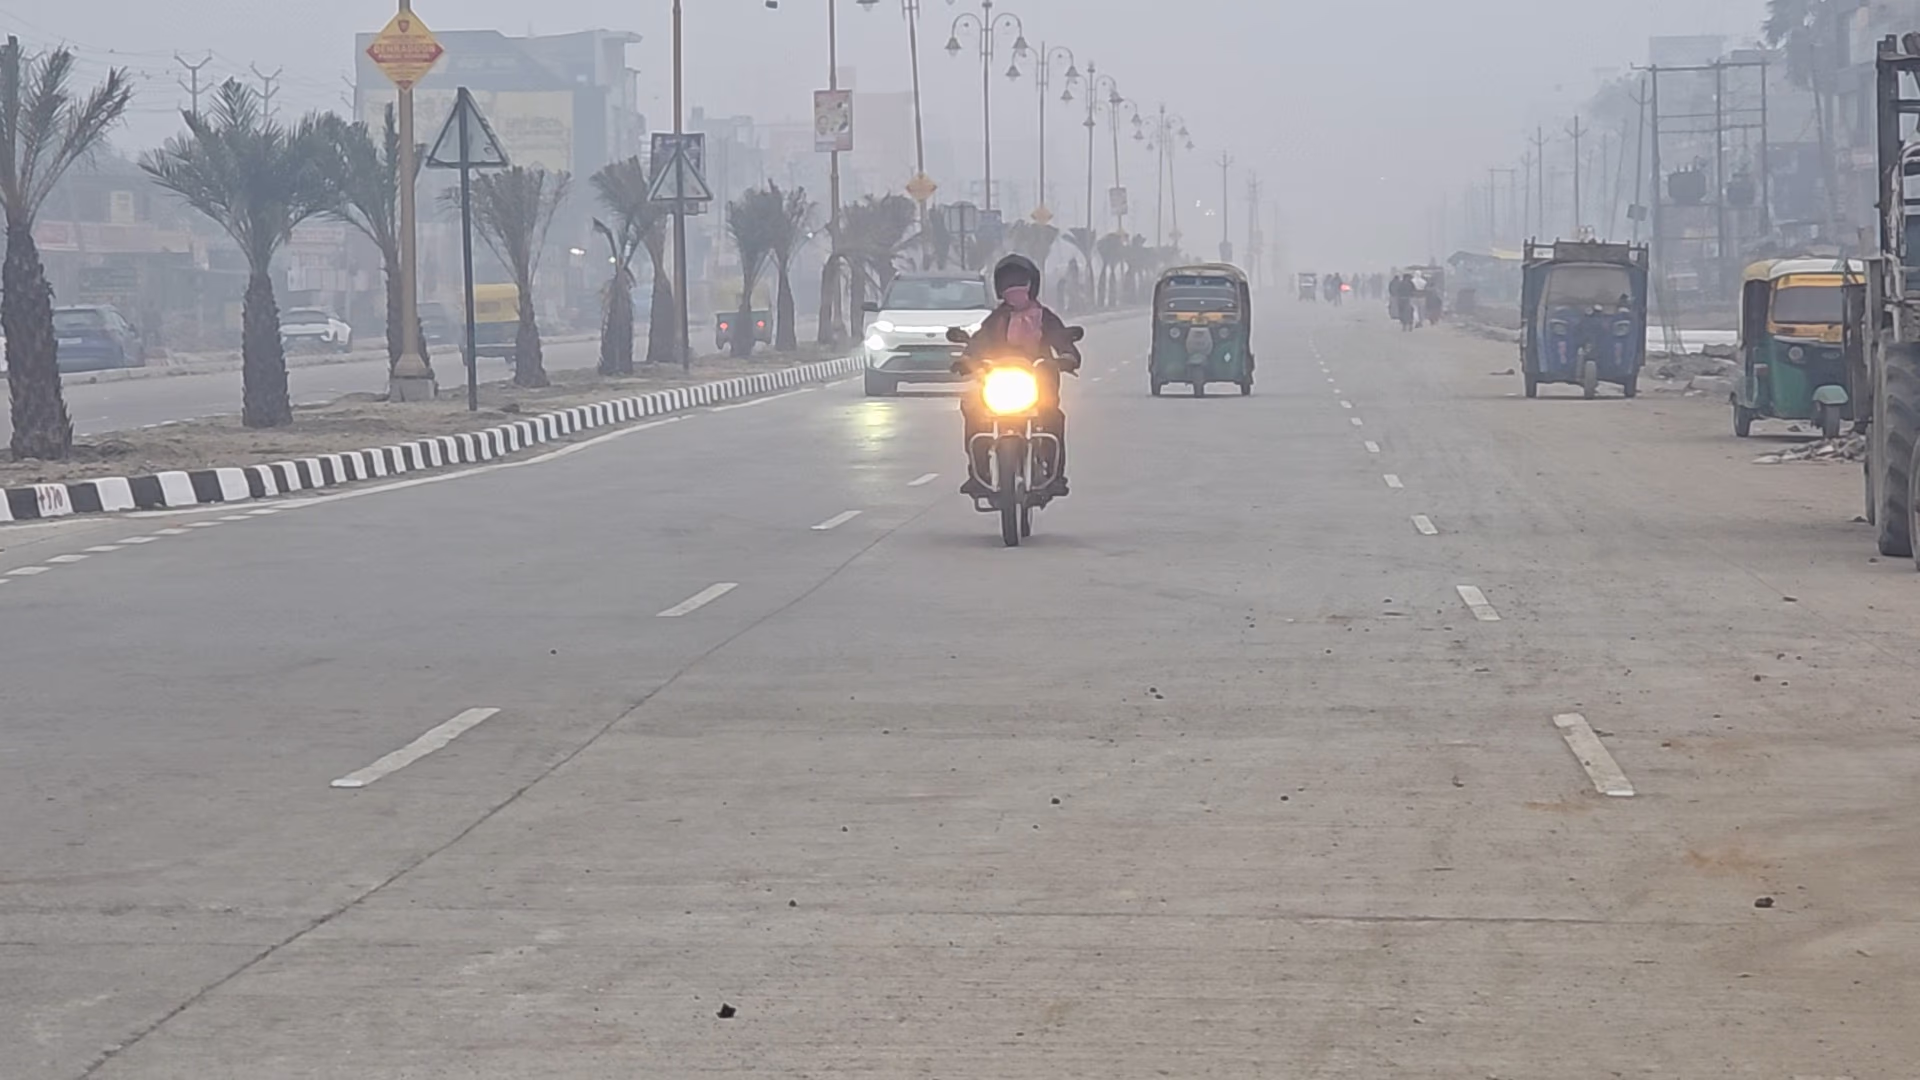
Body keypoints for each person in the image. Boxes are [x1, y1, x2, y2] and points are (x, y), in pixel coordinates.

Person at [955, 254, 1082, 498]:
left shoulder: (1045, 317)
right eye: (1008, 284)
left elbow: (1061, 339)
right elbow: (978, 342)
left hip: (1038, 382)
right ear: (1000, 289)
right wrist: (967, 359)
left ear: (1032, 285)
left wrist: (1067, 356)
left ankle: (1055, 475)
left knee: (1053, 418)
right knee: (972, 408)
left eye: (1020, 282)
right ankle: (978, 474)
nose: (1014, 288)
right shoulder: (995, 320)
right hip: (997, 383)